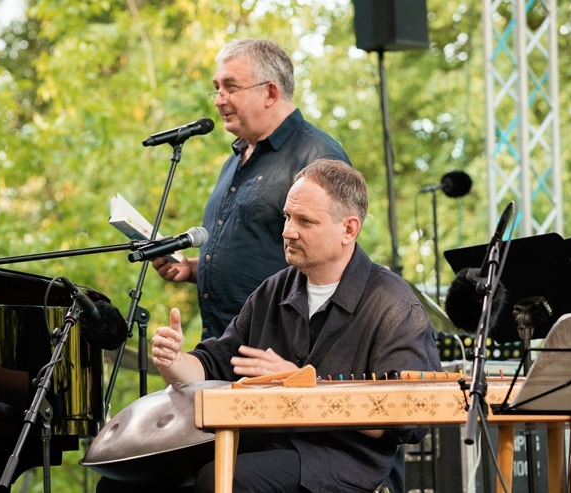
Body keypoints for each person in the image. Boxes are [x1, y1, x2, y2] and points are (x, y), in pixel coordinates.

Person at [151, 159, 443, 493]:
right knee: (139, 481)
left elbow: (412, 416)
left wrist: (305, 385)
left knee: (225, 480)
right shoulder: (273, 290)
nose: (288, 231)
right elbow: (214, 364)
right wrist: (175, 362)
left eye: (305, 221)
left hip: (350, 466)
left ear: (349, 229)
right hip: (269, 447)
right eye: (288, 216)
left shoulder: (393, 304)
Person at [152, 38, 351, 340]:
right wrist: (193, 269)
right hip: (222, 348)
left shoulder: (317, 155)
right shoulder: (235, 159)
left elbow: (335, 262)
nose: (219, 99)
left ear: (270, 92)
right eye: (216, 88)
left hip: (279, 352)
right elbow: (256, 251)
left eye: (230, 87)